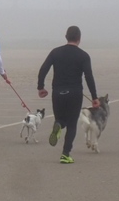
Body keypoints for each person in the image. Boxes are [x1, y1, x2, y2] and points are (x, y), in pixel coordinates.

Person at [36, 25, 99, 165]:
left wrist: (41, 87)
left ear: (66, 37)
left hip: (58, 92)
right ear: (79, 39)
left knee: (61, 118)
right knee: (72, 124)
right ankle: (65, 154)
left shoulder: (55, 52)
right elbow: (89, 76)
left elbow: (43, 69)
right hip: (75, 92)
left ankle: (58, 124)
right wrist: (94, 97)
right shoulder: (83, 56)